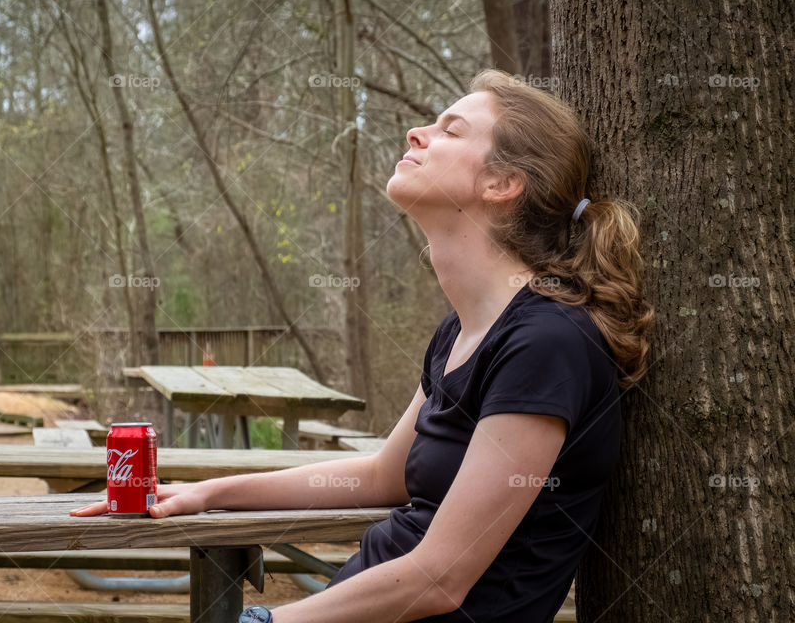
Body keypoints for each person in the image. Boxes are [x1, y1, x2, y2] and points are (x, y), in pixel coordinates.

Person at [72, 68, 654, 623]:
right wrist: (210, 493)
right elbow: (382, 476)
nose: (416, 133)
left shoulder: (548, 344)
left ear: (502, 184)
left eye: (450, 130)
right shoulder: (462, 331)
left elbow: (440, 579)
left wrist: (262, 618)